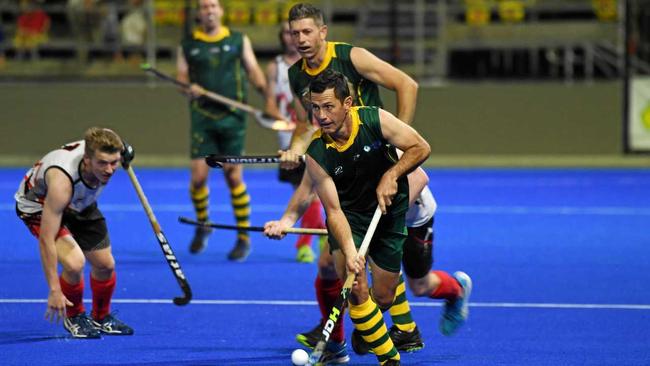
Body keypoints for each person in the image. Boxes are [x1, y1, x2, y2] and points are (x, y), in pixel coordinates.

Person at [280, 2, 434, 356]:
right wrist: (294, 147)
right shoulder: (296, 76)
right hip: (343, 164)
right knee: (335, 261)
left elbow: (406, 84)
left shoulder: (352, 57)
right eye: (295, 33)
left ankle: (375, 322)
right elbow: (306, 124)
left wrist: (395, 147)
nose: (301, 39)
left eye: (307, 31)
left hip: (381, 162)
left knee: (392, 269)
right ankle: (349, 332)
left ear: (323, 32)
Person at [15, 127, 135, 339]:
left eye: (114, 162)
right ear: (87, 160)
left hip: (80, 201)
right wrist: (54, 289)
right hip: (40, 206)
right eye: (102, 163)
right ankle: (75, 316)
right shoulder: (62, 182)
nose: (109, 170)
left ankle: (101, 316)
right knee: (74, 262)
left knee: (105, 265)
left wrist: (124, 152)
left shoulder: (110, 153)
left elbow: (106, 132)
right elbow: (46, 239)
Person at [177, 0, 267, 261]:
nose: (210, 10)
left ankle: (243, 236)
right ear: (199, 13)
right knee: (198, 178)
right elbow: (181, 78)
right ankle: (203, 225)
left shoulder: (238, 40)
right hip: (203, 117)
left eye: (214, 5)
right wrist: (187, 88)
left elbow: (254, 72)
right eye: (204, 7)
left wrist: (269, 100)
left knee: (233, 177)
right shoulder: (188, 44)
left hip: (233, 118)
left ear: (221, 10)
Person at [264, 20, 321, 264]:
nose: (293, 38)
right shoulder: (275, 67)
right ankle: (322, 235)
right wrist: (282, 119)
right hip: (289, 139)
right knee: (304, 193)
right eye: (288, 33)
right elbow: (269, 105)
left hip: (314, 134)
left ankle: (304, 244)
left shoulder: (314, 66)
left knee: (314, 193)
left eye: (297, 33)